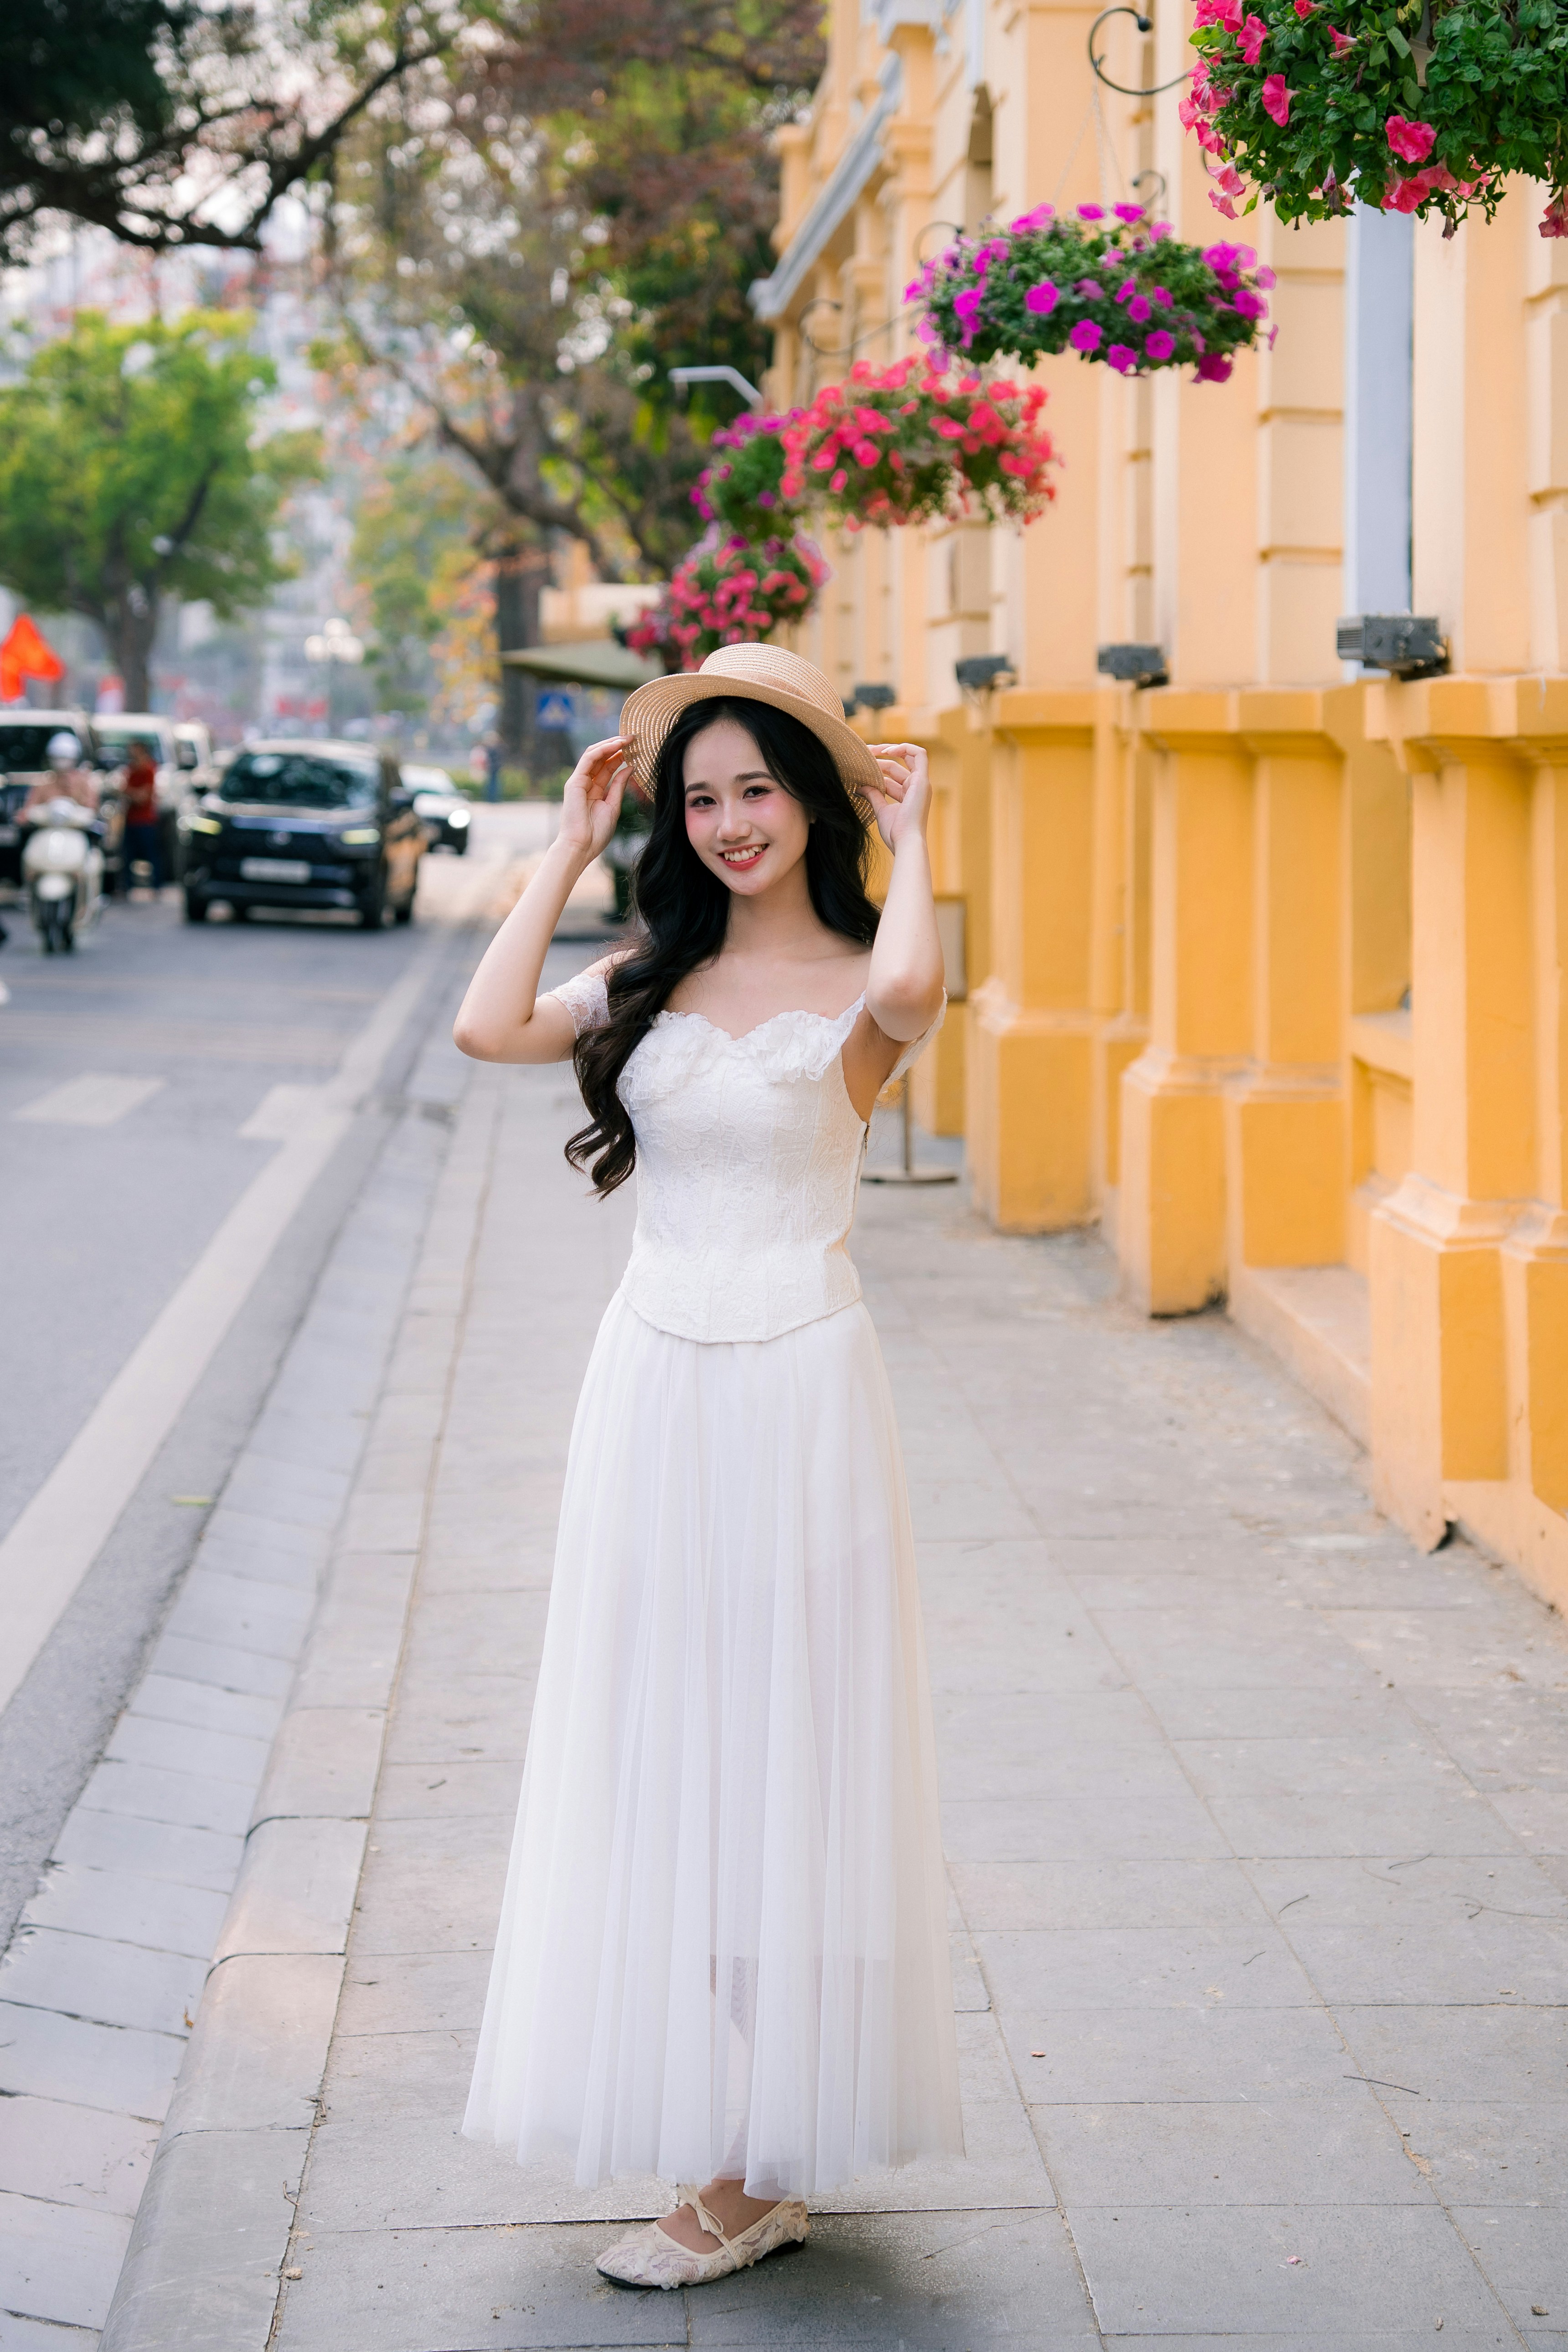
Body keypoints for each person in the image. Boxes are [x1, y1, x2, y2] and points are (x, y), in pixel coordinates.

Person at [453, 642, 963, 2291]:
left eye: (758, 790)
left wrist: (925, 835)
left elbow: (907, 993)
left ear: (810, 803)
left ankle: (750, 2167)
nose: (730, 822)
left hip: (801, 1394)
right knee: (663, 1746)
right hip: (652, 1388)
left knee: (780, 1751)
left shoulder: (863, 985)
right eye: (702, 797)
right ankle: (741, 2146)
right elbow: (483, 1027)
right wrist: (561, 848)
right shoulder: (649, 978)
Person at [119, 736, 165, 894]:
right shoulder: (131, 769)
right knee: (128, 855)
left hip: (145, 820)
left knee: (151, 854)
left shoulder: (148, 769)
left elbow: (142, 797)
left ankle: (157, 885)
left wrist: (128, 793)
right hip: (131, 818)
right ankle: (127, 887)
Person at [19, 730, 99, 819]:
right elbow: (28, 811)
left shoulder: (85, 782)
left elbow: (92, 809)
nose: (62, 763)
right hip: (46, 829)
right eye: (58, 758)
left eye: (66, 758)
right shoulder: (43, 782)